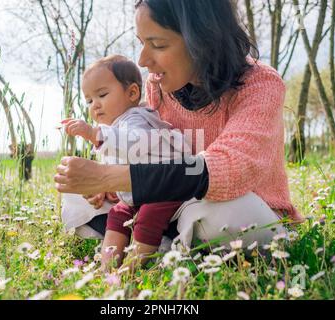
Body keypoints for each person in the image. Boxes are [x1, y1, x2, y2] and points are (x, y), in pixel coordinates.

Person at [55, 0, 304, 260]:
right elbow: (150, 153)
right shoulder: (158, 86)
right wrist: (105, 185)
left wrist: (111, 177)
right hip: (171, 204)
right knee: (76, 192)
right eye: (142, 43)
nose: (142, 60)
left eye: (158, 45)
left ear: (203, 38)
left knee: (226, 211)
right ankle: (164, 242)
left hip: (245, 208)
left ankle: (159, 241)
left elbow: (228, 169)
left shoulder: (261, 85)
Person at [61, 55, 191, 269]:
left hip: (167, 186)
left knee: (148, 216)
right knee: (117, 214)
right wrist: (108, 186)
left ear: (132, 93)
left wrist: (94, 133)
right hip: (139, 192)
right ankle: (107, 267)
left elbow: (134, 144)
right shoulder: (115, 126)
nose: (95, 105)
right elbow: (116, 163)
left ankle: (131, 267)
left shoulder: (137, 118)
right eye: (89, 101)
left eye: (102, 94)